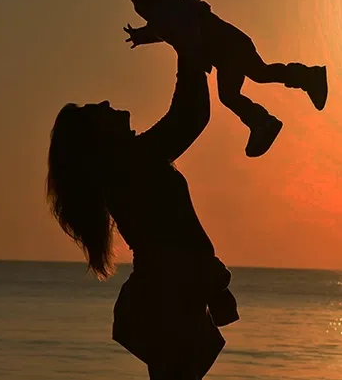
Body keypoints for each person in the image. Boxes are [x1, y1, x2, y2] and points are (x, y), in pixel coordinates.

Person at [46, 44, 237, 379]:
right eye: (98, 111)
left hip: (170, 289)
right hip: (169, 292)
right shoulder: (131, 163)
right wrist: (186, 46)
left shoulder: (128, 163)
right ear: (97, 137)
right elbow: (189, 116)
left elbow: (188, 116)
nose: (107, 103)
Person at [122, 0, 328, 158]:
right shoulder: (168, 15)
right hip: (228, 53)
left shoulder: (173, 12)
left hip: (231, 48)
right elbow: (161, 30)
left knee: (240, 87)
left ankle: (265, 119)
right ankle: (301, 82)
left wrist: (193, 54)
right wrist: (141, 36)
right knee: (258, 75)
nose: (136, 7)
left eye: (135, 1)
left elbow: (183, 28)